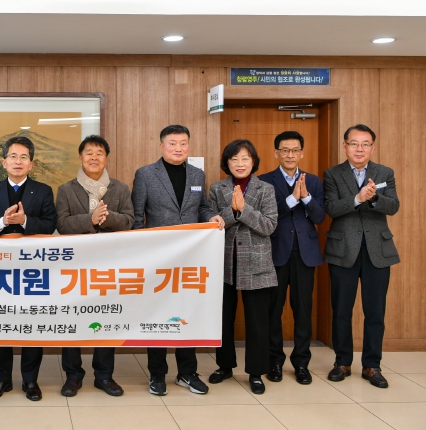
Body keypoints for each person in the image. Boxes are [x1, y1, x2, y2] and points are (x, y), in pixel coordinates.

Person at [132, 125, 224, 396]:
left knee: (187, 313)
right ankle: (157, 374)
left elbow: (202, 207)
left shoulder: (197, 174)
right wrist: (142, 254)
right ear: (162, 145)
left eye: (183, 143)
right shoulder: (145, 174)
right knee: (157, 315)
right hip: (157, 258)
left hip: (191, 258)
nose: (178, 148)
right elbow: (137, 217)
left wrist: (210, 217)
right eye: (172, 143)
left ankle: (187, 372)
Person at [0, 136, 57, 401]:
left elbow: (50, 225)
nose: (18, 161)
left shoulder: (43, 191)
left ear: (31, 164)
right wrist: (2, 221)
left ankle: (30, 381)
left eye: (24, 157)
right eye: (13, 156)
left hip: (32, 270)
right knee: (1, 325)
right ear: (4, 162)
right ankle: (1, 380)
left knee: (32, 325)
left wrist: (25, 221)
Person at [56, 135, 134, 398]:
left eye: (99, 153)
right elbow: (62, 224)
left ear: (106, 158)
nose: (94, 157)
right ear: (81, 157)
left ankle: (104, 375)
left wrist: (107, 218)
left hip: (109, 266)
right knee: (72, 320)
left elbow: (130, 221)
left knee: (106, 318)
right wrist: (90, 220)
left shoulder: (120, 189)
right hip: (75, 267)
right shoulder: (66, 189)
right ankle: (73, 376)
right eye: (89, 152)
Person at [323, 124, 399, 389]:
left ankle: (372, 365)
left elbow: (394, 206)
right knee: (341, 310)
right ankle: (342, 362)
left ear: (372, 148)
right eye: (354, 143)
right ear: (345, 146)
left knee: (375, 311)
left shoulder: (385, 173)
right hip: (343, 250)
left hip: (378, 251)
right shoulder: (332, 174)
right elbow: (331, 208)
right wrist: (357, 198)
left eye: (365, 144)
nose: (359, 149)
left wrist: (374, 197)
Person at [207, 139, 277, 395]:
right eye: (234, 158)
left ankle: (256, 372)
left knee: (257, 322)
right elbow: (212, 221)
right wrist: (232, 211)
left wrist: (244, 209)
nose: (239, 163)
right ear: (226, 162)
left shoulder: (266, 189)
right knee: (223, 318)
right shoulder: (217, 188)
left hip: (257, 264)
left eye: (245, 158)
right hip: (224, 263)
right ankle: (224, 366)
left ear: (253, 161)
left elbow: (269, 225)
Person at [258, 131, 325, 385]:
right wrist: (292, 199)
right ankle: (274, 361)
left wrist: (306, 197)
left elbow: (319, 217)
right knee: (273, 310)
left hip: (305, 254)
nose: (290, 155)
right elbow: (266, 215)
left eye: (295, 150)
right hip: (275, 252)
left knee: (303, 310)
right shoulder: (264, 181)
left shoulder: (314, 181)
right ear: (276, 153)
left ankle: (301, 363)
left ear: (302, 153)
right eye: (285, 150)